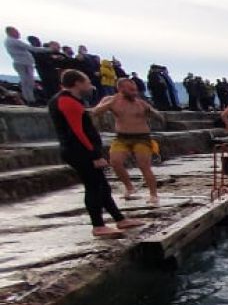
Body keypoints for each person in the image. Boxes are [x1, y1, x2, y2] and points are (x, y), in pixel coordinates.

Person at [49, 69, 143, 238]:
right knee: (93, 187)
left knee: (103, 186)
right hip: (79, 152)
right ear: (77, 83)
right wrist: (94, 155)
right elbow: (77, 132)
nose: (90, 85)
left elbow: (85, 119)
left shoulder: (71, 100)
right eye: (87, 82)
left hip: (81, 150)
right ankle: (98, 226)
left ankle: (120, 219)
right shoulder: (66, 101)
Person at [92, 78, 164, 204]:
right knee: (115, 162)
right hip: (122, 137)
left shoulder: (140, 103)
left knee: (144, 166)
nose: (135, 92)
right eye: (131, 90)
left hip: (142, 138)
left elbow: (159, 116)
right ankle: (129, 187)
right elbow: (95, 112)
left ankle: (153, 194)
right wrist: (110, 104)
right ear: (121, 89)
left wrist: (153, 112)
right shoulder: (110, 100)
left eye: (135, 90)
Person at [5, 26, 47, 104]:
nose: (18, 33)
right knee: (27, 82)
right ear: (11, 32)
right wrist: (49, 49)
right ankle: (30, 100)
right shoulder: (13, 41)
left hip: (23, 63)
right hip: (22, 63)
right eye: (16, 31)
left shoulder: (10, 41)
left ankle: (30, 99)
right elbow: (32, 48)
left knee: (28, 82)